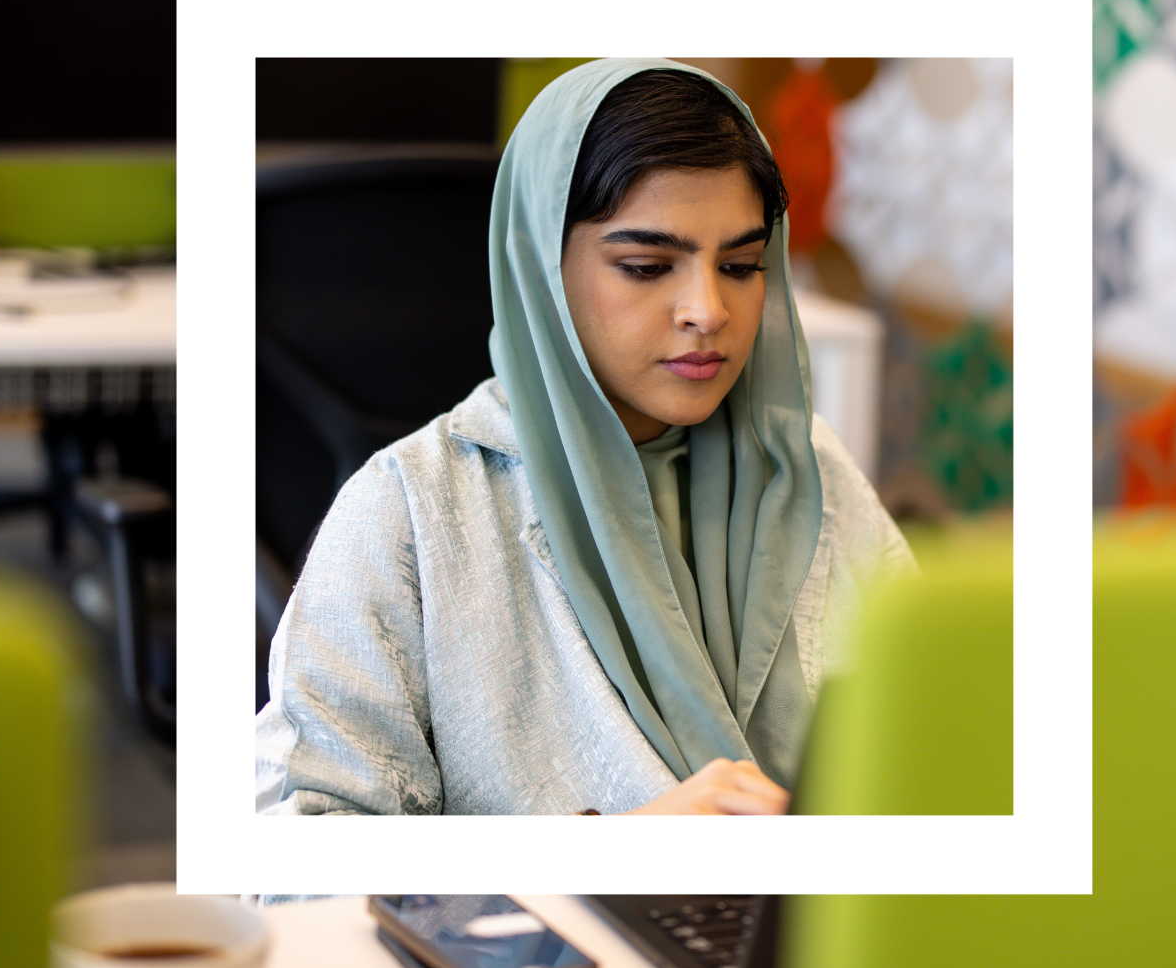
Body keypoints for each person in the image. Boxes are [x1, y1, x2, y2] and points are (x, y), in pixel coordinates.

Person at [255, 59, 914, 815]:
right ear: (542, 266)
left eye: (740, 264)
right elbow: (298, 868)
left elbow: (943, 736)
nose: (708, 309)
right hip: (541, 937)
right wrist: (605, 862)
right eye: (644, 266)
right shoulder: (410, 510)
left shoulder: (804, 472)